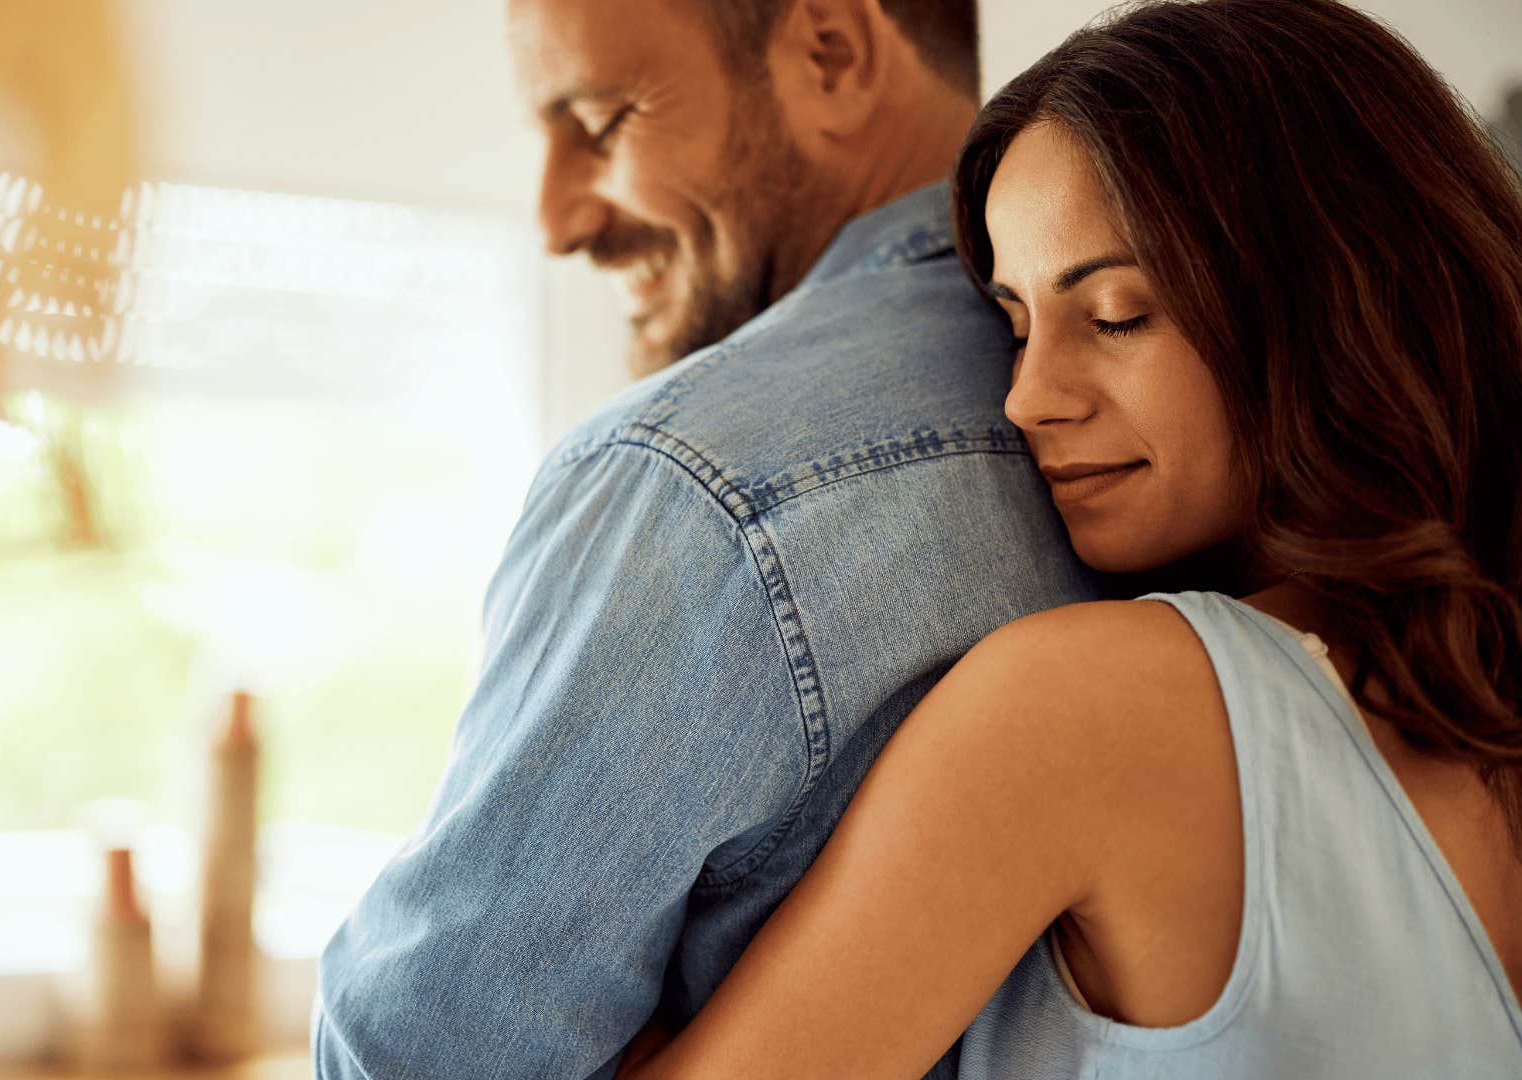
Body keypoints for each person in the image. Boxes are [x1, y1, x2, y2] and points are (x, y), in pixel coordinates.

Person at [616, 1, 1522, 1076]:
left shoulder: (1088, 711)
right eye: (1014, 324)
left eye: (1118, 314)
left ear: (1341, 300)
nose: (1027, 399)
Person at [313, 0, 1094, 1075]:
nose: (555, 220)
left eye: (602, 121)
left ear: (831, 53)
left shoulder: (687, 485)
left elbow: (421, 1060)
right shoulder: (1210, 432)